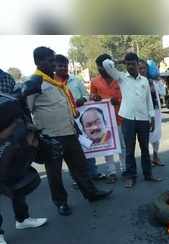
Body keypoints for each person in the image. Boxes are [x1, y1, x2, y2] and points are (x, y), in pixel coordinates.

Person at [27, 46, 112, 216]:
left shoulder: (56, 81)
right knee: (55, 173)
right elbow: (26, 109)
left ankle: (91, 193)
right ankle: (61, 203)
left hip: (69, 132)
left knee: (80, 167)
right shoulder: (34, 83)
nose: (53, 64)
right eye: (49, 61)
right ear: (38, 62)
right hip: (50, 137)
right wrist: (34, 134)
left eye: (53, 60)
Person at [0, 70, 47, 244]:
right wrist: (14, 127)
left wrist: (28, 129)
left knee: (17, 183)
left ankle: (23, 219)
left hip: (12, 148)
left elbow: (21, 115)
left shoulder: (6, 80)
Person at [102, 52, 162, 188]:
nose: (130, 66)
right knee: (129, 149)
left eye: (132, 64)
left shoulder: (145, 81)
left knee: (145, 149)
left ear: (137, 63)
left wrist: (151, 117)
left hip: (143, 119)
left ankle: (148, 174)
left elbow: (148, 101)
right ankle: (130, 176)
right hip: (128, 119)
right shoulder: (121, 77)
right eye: (127, 64)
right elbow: (106, 64)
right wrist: (119, 61)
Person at [54, 54, 106, 182]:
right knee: (72, 152)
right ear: (54, 67)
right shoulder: (52, 83)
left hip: (82, 120)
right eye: (60, 66)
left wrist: (82, 99)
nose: (63, 68)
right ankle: (77, 179)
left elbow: (87, 96)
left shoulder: (76, 80)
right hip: (65, 123)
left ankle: (94, 173)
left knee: (88, 146)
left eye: (65, 66)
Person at [90, 54, 125, 184]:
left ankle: (125, 169)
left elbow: (128, 95)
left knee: (123, 146)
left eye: (103, 66)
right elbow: (92, 97)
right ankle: (111, 172)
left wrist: (119, 100)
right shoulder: (94, 82)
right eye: (99, 67)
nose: (101, 69)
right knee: (108, 147)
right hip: (105, 122)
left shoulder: (121, 78)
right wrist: (94, 98)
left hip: (121, 118)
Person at [138, 59, 165, 167]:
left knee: (156, 134)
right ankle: (147, 158)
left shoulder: (153, 81)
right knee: (145, 136)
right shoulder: (136, 82)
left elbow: (162, 92)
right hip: (142, 112)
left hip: (155, 110)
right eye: (139, 68)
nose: (142, 70)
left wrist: (159, 82)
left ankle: (156, 156)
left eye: (144, 68)